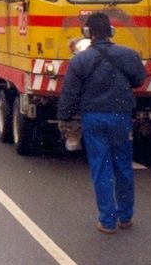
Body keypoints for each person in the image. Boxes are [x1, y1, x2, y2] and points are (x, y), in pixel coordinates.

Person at [57, 12, 146, 234]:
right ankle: (126, 216)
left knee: (101, 167)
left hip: (93, 118)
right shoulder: (128, 55)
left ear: (89, 33)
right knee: (123, 165)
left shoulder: (80, 60)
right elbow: (138, 80)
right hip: (120, 117)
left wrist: (65, 117)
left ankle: (107, 221)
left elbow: (70, 93)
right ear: (111, 31)